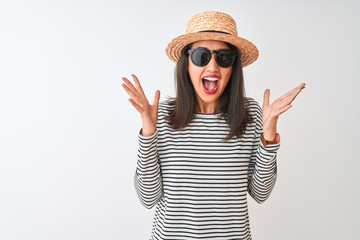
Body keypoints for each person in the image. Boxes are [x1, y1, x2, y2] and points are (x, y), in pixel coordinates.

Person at [121, 11, 305, 240]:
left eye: (224, 58)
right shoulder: (162, 115)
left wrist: (269, 137)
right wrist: (148, 133)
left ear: (233, 67)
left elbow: (260, 193)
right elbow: (148, 198)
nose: (213, 67)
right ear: (186, 63)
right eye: (201, 56)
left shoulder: (250, 114)